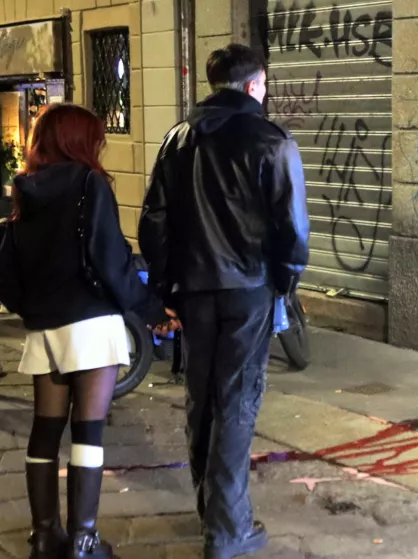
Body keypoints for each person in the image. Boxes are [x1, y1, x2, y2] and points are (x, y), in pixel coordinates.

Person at [138, 43, 309, 559]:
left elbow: (155, 220)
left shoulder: (177, 139)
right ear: (255, 85)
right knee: (236, 401)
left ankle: (210, 509)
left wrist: (164, 286)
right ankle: (227, 528)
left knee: (202, 397)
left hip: (193, 289)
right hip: (249, 287)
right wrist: (284, 280)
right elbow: (293, 229)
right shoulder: (272, 140)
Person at [0, 103, 174, 559]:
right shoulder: (90, 185)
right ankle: (84, 540)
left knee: (44, 431)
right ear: (79, 141)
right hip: (91, 325)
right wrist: (152, 308)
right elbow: (110, 260)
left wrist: (36, 308)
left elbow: (6, 278)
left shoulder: (24, 190)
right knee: (88, 431)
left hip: (45, 331)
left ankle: (43, 536)